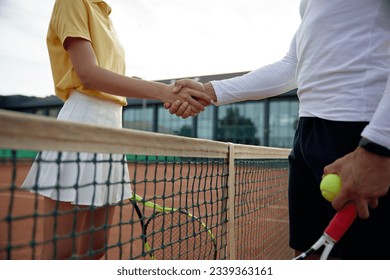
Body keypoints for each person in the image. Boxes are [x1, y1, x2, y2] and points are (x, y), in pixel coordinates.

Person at [167, 0, 390, 259]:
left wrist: (378, 145)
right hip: (307, 134)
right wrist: (209, 91)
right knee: (305, 253)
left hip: (362, 134)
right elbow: (290, 66)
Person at [21, 0, 211, 260]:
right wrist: (164, 91)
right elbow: (88, 73)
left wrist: (167, 93)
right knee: (58, 254)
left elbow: (111, 78)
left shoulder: (105, 13)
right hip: (82, 126)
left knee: (96, 250)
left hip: (112, 129)